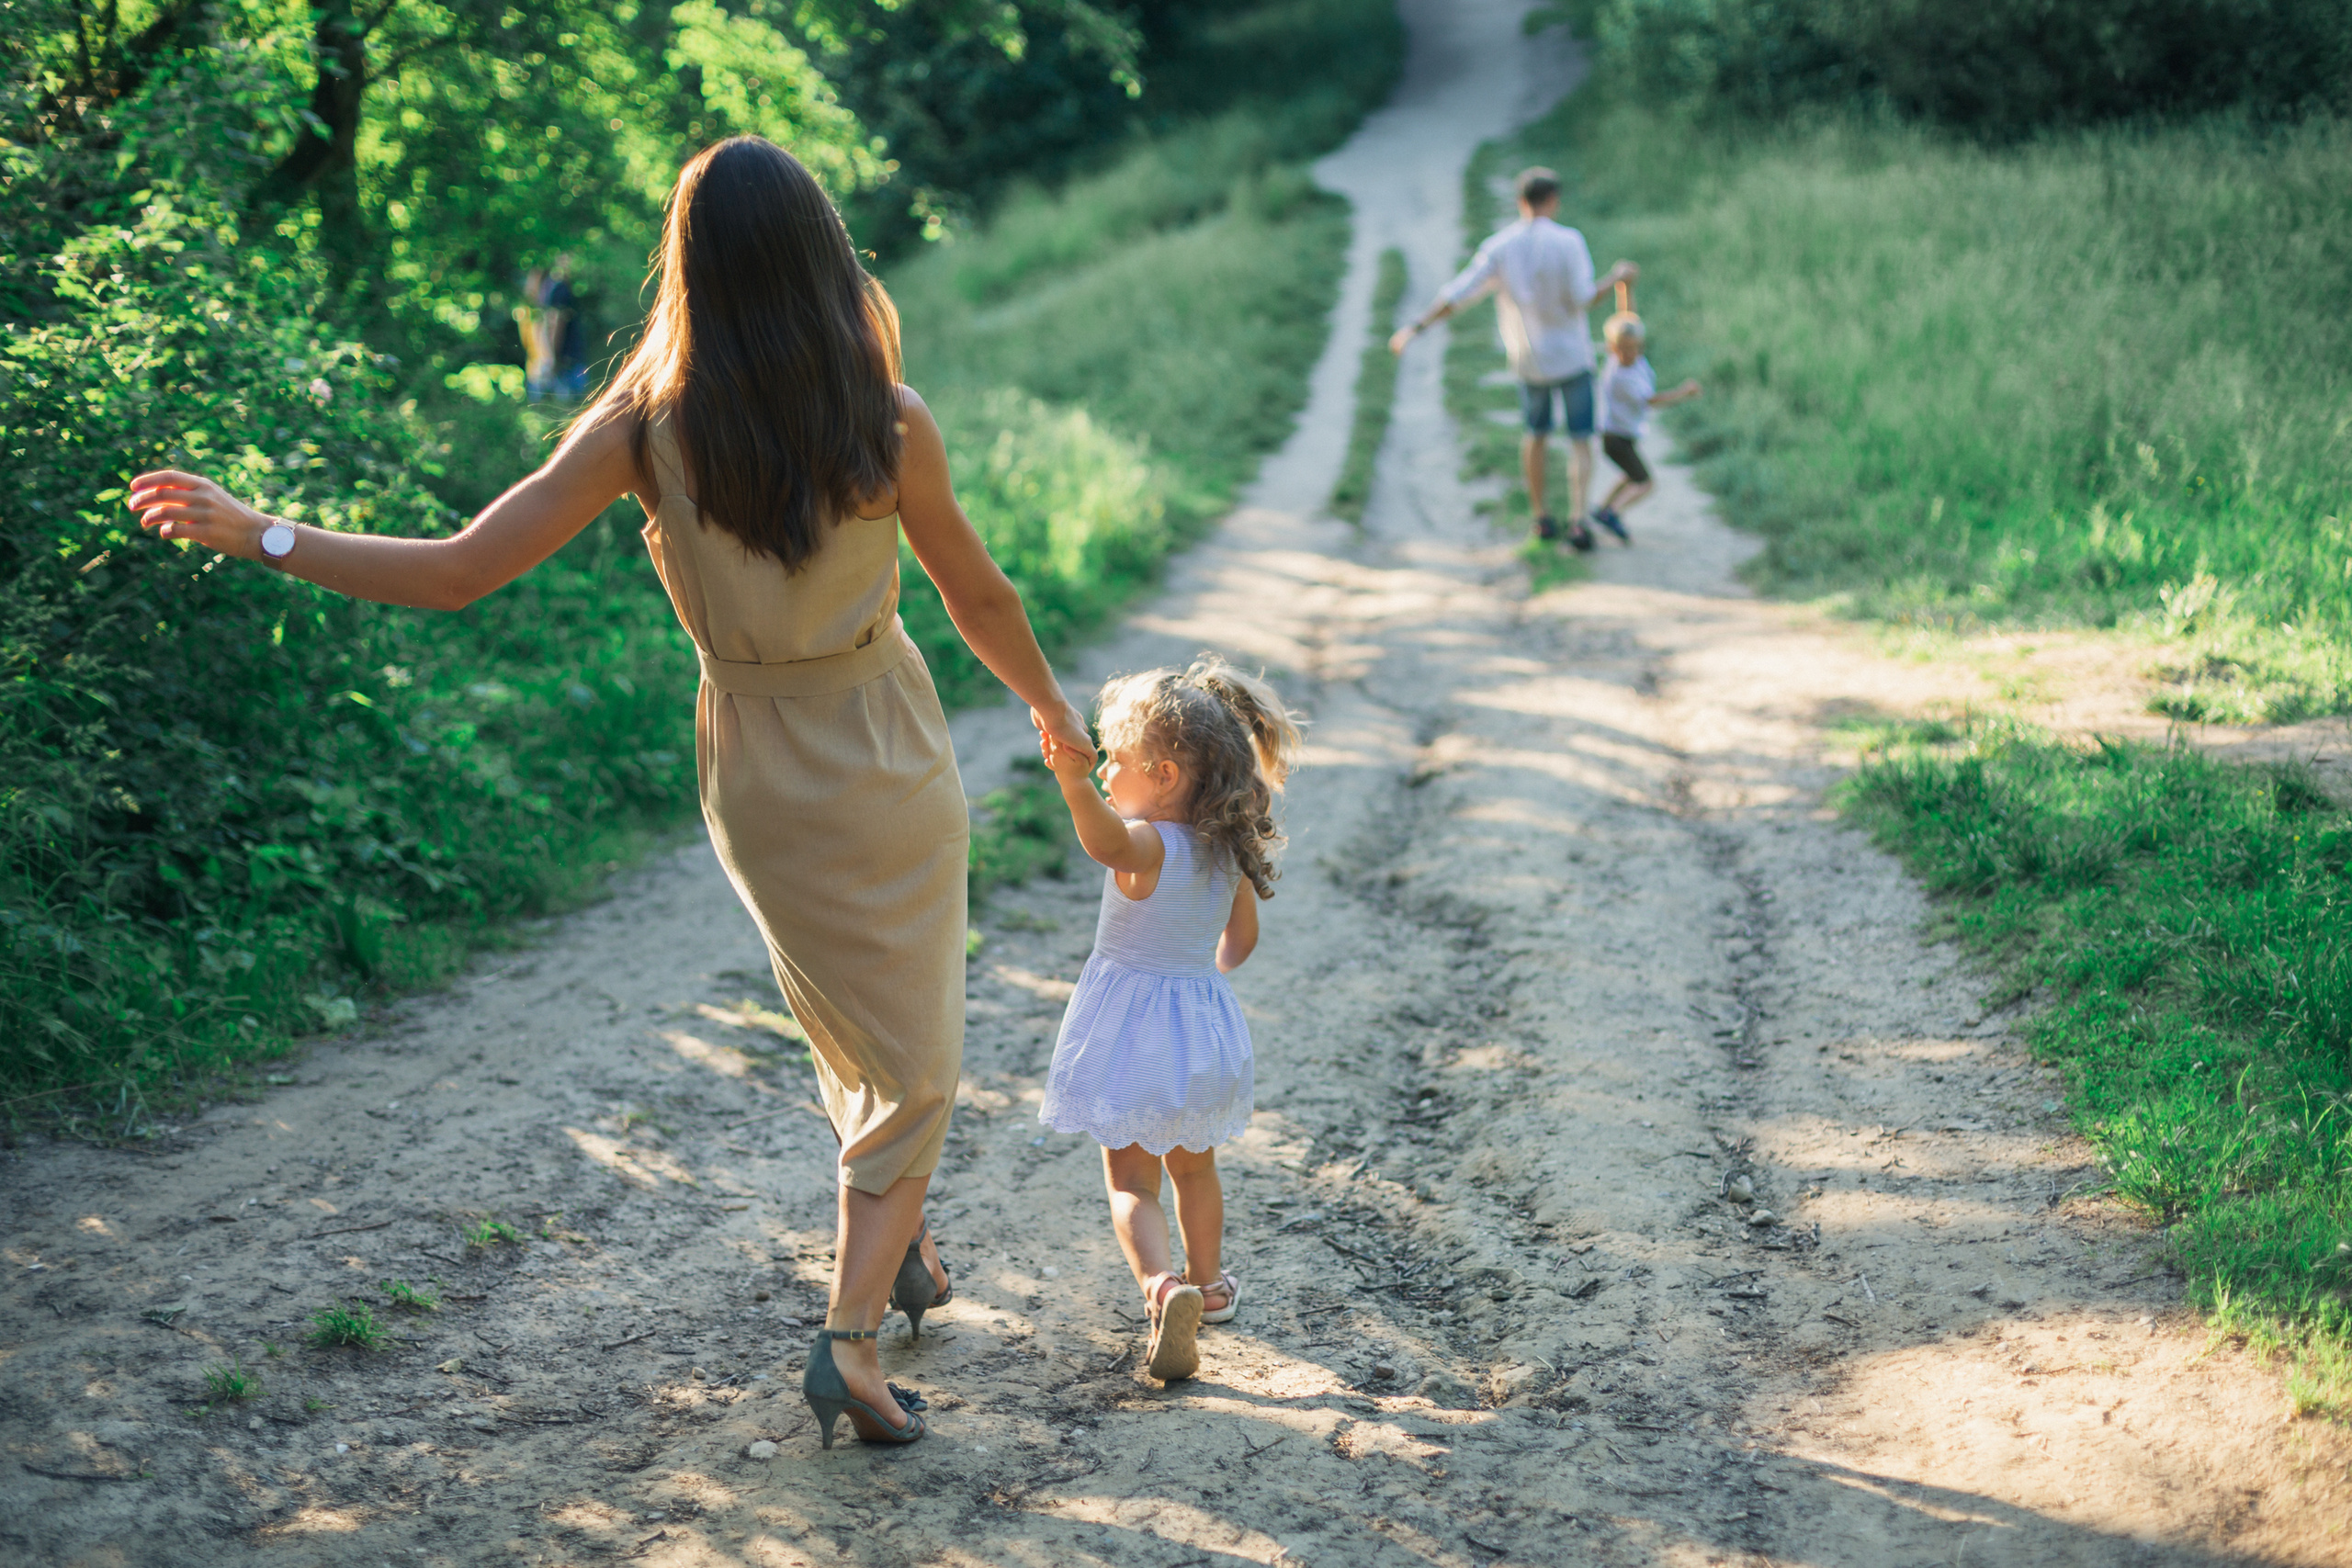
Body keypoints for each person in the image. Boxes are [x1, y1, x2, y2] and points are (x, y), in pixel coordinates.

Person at [123, 135, 1097, 1451]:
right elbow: (978, 594)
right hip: (881, 739)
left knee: (855, 1026)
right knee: (914, 1050)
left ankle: (902, 1249)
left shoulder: (646, 424)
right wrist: (1051, 710)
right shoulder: (886, 417)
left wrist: (268, 532)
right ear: (820, 256)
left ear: (690, 269)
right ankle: (851, 1346)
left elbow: (463, 567)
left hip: (751, 763)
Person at [1035, 656, 1300, 1382]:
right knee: (1195, 1168)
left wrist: (1069, 780)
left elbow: (1105, 842)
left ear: (1163, 775)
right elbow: (1239, 946)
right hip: (1200, 1033)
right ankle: (1209, 1285)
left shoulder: (1147, 842)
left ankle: (1162, 1287)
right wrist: (1197, 972)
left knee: (1130, 1181)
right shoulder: (1226, 854)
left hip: (1133, 1038)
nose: (1106, 776)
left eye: (1113, 762)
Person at [1391, 167, 1635, 552]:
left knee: (1535, 435)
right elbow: (1584, 299)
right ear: (1553, 200)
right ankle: (1577, 521)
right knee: (1579, 441)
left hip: (1529, 359)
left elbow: (1459, 293)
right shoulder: (1569, 241)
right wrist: (1617, 279)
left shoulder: (1500, 247)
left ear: (1520, 201)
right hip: (1572, 357)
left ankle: (1540, 518)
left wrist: (1415, 327)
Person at [1589, 310, 1701, 546]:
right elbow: (1651, 401)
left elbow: (1628, 317)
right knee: (1645, 483)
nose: (1631, 354)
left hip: (1621, 435)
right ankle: (1613, 513)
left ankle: (1601, 508)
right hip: (1615, 438)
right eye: (1624, 349)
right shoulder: (1620, 377)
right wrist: (1683, 393)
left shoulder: (1631, 358)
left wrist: (1625, 287)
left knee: (1629, 475)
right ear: (1612, 348)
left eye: (1635, 348)